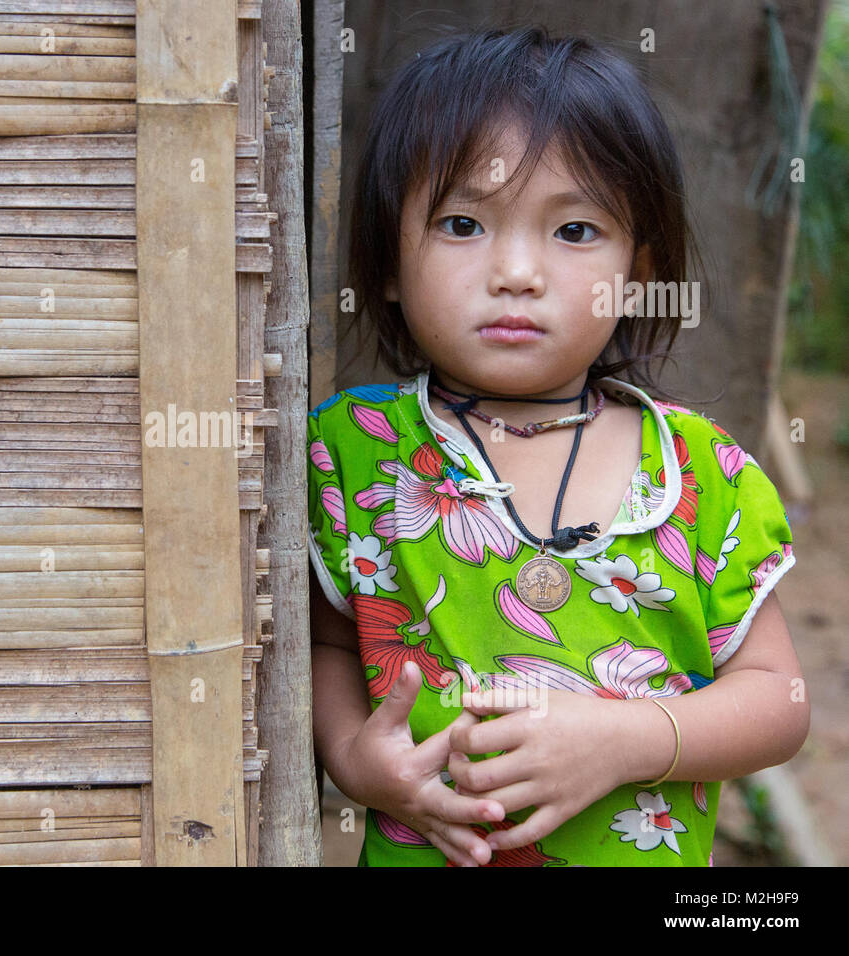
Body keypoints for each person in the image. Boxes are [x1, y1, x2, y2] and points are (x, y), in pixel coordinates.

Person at [308, 26, 808, 866]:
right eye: (462, 223)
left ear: (640, 270)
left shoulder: (698, 472)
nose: (516, 271)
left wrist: (627, 739)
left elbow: (779, 701)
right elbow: (328, 644)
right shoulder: (358, 452)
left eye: (574, 233)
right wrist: (356, 759)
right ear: (388, 262)